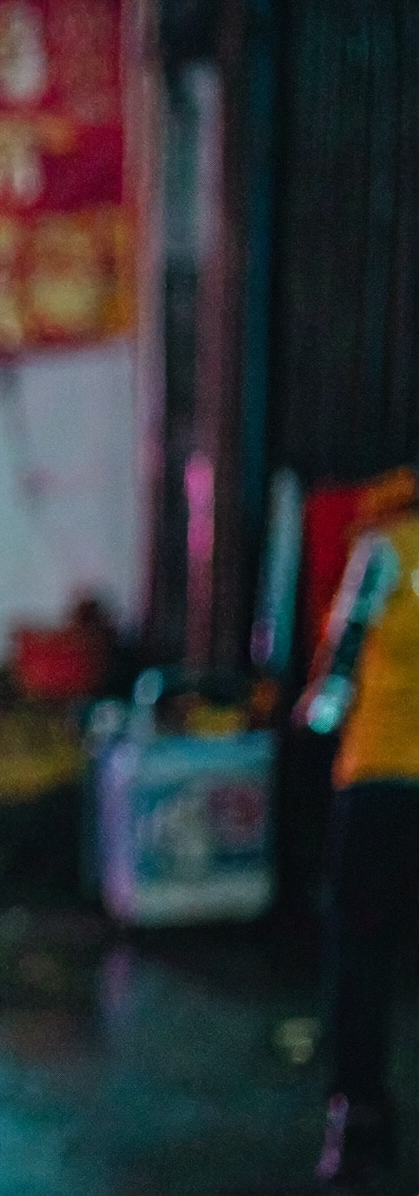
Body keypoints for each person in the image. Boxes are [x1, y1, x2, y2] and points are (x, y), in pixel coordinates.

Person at [300, 497, 419, 1190]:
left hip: (381, 781)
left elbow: (337, 673)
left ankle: (361, 1117)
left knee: (361, 946)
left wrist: (314, 719)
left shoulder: (388, 546)